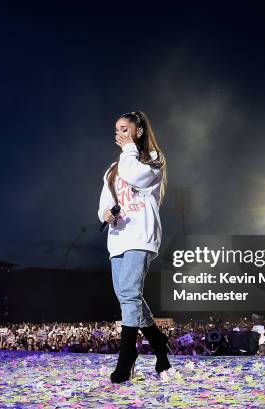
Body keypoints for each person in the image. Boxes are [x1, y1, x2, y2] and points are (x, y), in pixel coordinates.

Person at [97, 110, 169, 383]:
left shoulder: (152, 159)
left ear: (138, 130)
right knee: (129, 296)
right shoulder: (112, 168)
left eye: (125, 129)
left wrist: (128, 149)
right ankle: (158, 342)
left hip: (140, 234)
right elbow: (104, 201)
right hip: (118, 238)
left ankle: (127, 356)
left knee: (128, 293)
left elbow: (136, 177)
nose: (119, 133)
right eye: (117, 129)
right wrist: (106, 213)